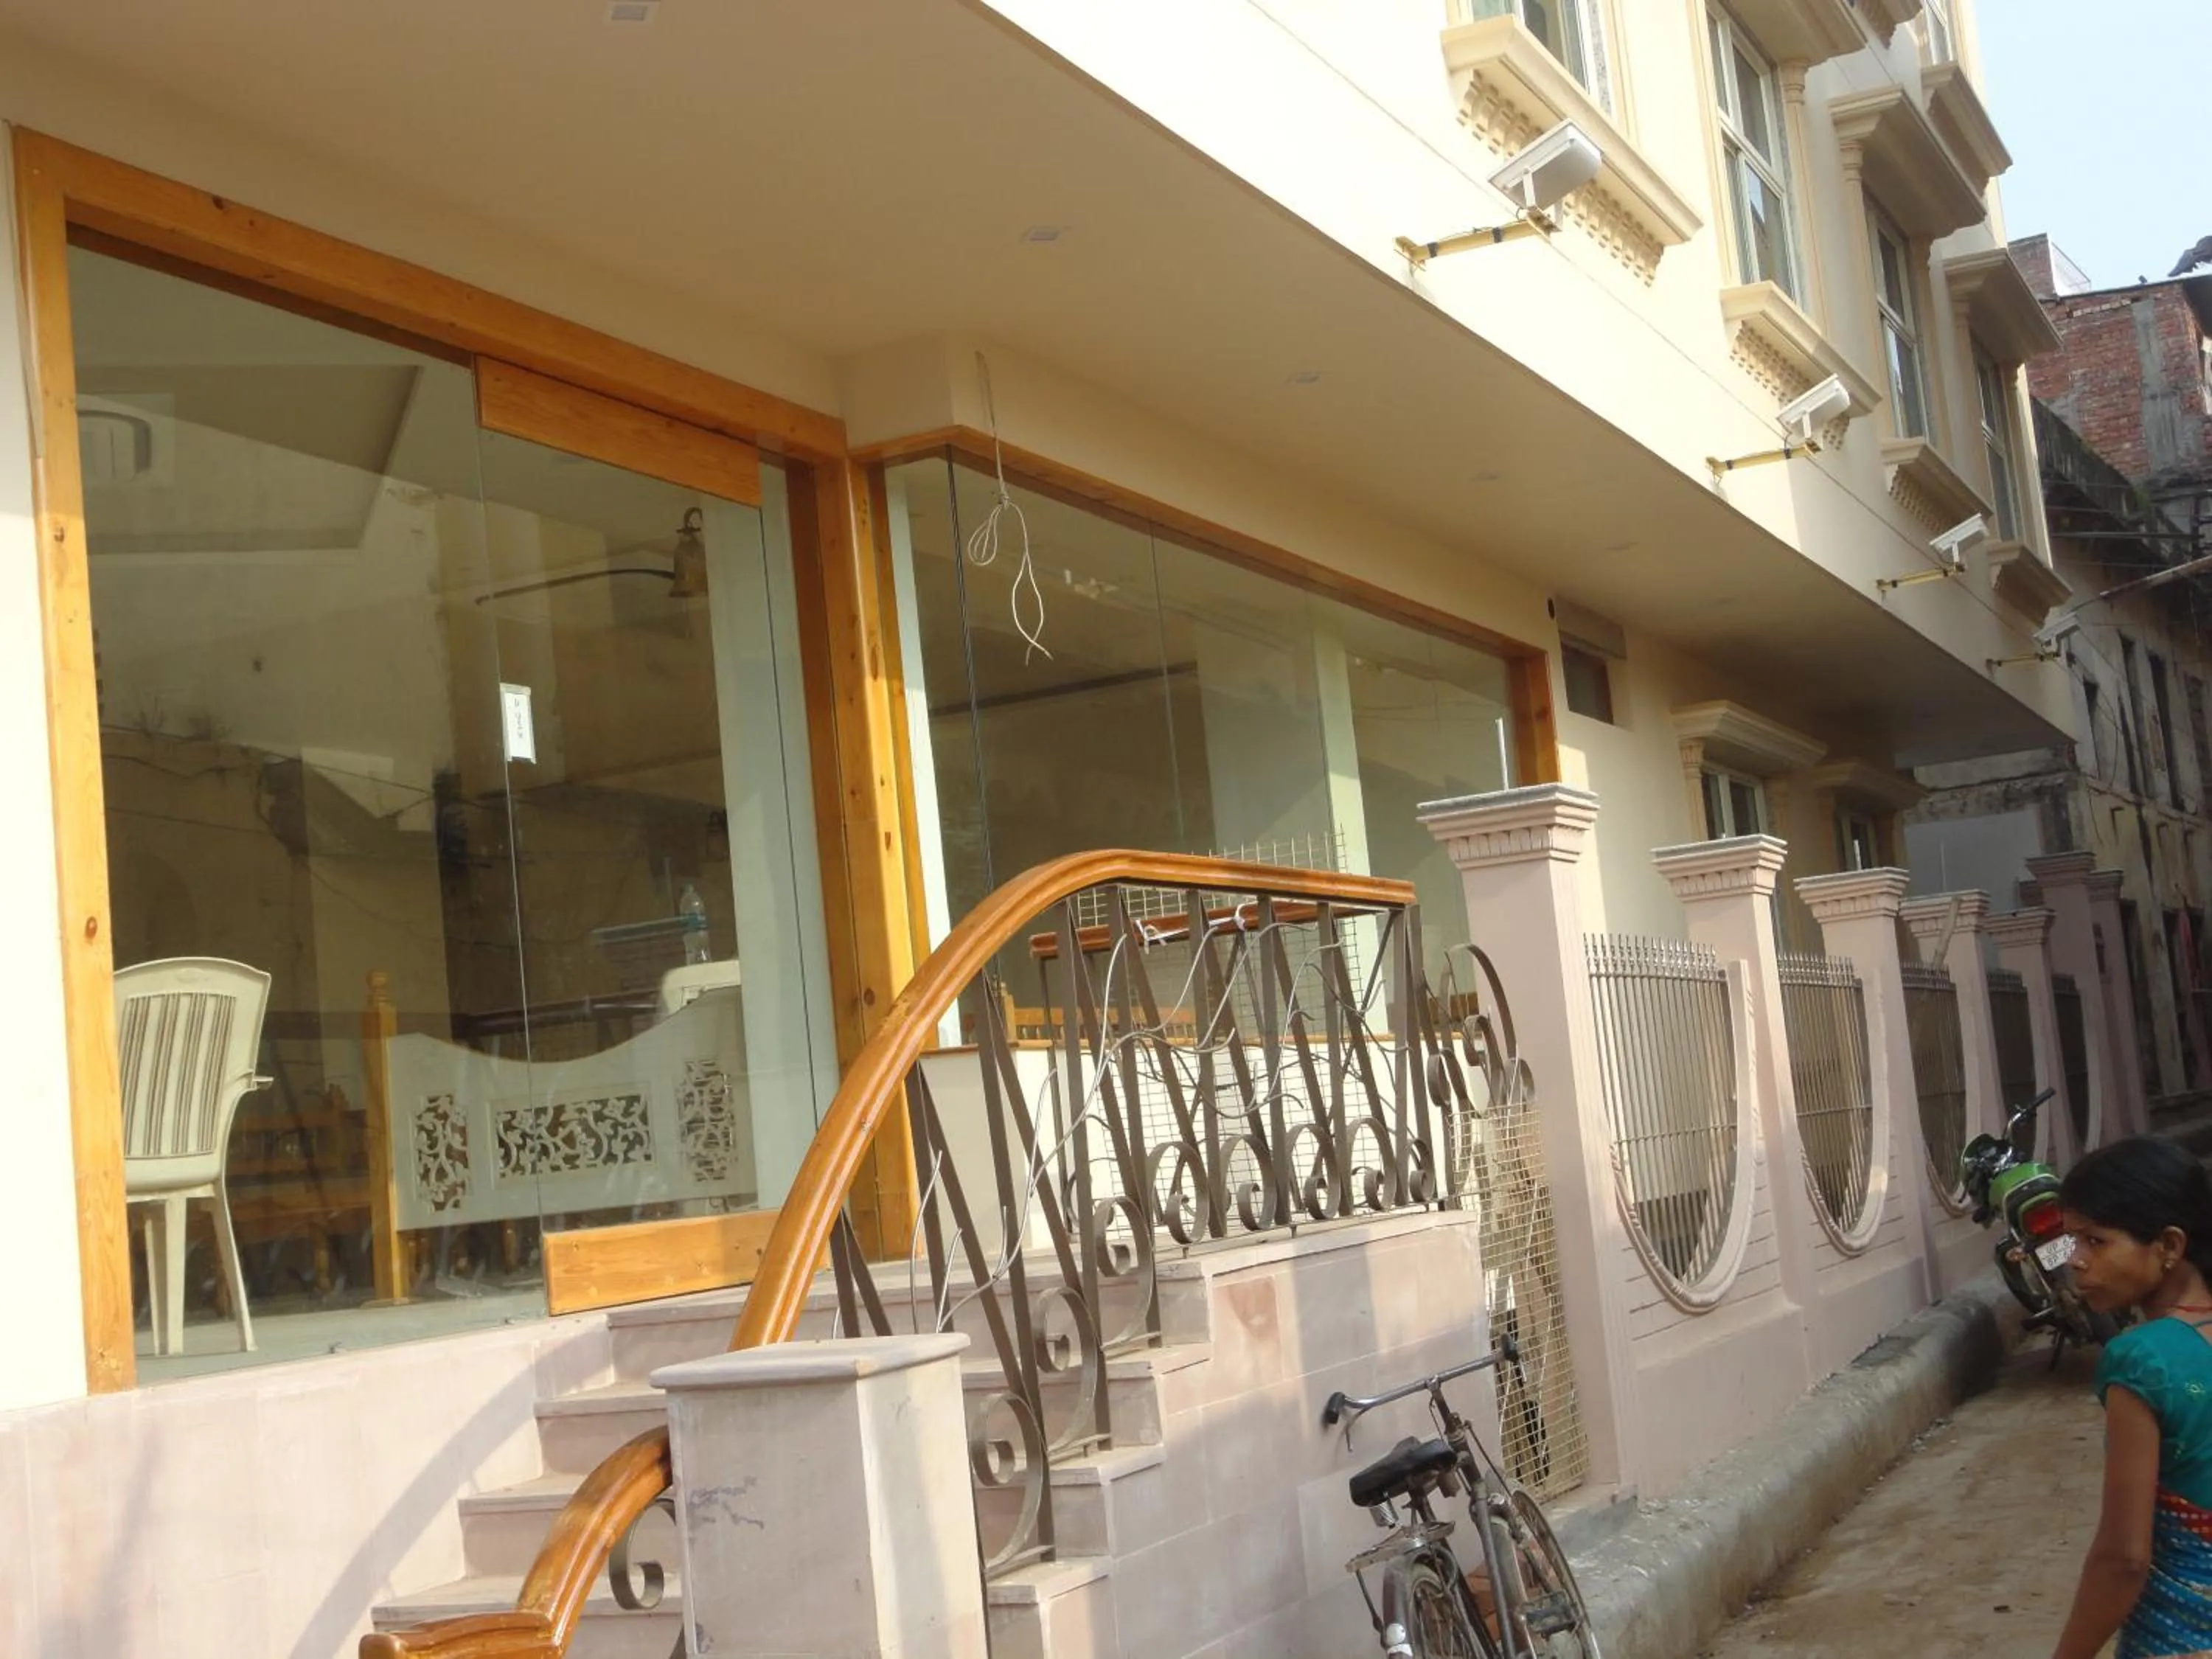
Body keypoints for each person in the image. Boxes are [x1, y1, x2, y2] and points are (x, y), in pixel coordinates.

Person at [2052, 1136, 2212, 1659]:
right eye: (2070, 1241)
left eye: (2095, 1242)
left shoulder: (2144, 1361)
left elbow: (2123, 1558)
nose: (2075, 1261)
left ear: (2168, 1245)